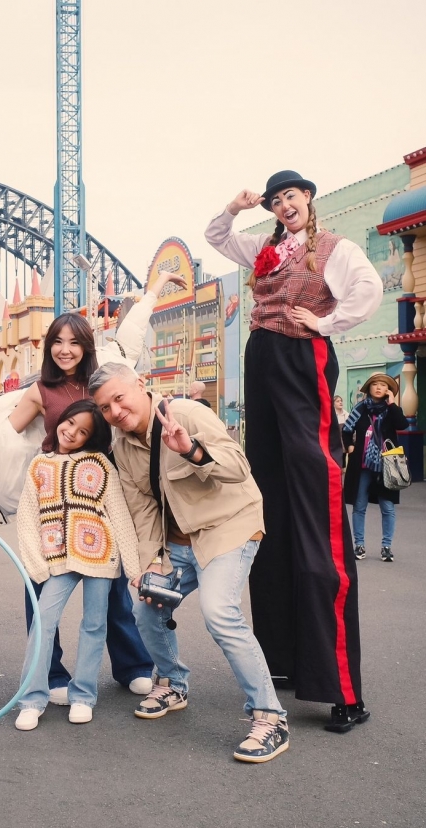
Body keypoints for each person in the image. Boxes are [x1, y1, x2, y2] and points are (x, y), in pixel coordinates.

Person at [205, 170, 383, 732]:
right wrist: (233, 208)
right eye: (276, 199)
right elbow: (214, 236)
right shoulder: (265, 246)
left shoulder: (334, 247)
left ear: (309, 198)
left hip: (302, 361)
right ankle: (281, 659)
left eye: (292, 196)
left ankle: (342, 688)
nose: (285, 205)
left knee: (318, 510)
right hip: (262, 359)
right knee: (269, 509)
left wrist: (326, 322)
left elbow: (368, 289)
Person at [0, 269, 187, 704]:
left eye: (74, 342)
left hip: (102, 493)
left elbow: (131, 334)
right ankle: (51, 672)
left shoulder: (106, 378)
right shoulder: (41, 390)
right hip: (57, 498)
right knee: (41, 584)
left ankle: (132, 664)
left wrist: (152, 291)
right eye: (57, 342)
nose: (64, 350)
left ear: (86, 346)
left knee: (111, 581)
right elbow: (4, 434)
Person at [89, 363, 288, 763]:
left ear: (140, 386)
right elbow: (142, 509)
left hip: (227, 527)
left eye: (118, 398)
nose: (115, 411)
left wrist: (192, 451)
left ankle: (271, 717)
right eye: (105, 407)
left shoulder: (188, 414)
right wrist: (150, 564)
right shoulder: (123, 446)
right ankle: (174, 682)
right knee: (146, 608)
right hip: (177, 542)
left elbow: (238, 467)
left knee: (219, 613)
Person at [14, 400, 142, 731]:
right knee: (43, 621)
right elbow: (27, 518)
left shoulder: (100, 464)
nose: (72, 432)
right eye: (71, 423)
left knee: (95, 625)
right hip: (57, 558)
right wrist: (35, 564)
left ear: (91, 437)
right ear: (61, 419)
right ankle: (31, 699)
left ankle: (83, 695)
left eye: (83, 431)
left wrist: (134, 567)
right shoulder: (39, 464)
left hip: (100, 554)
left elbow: (119, 516)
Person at [343, 373, 408, 563]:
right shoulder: (360, 409)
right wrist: (349, 446)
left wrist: (392, 403)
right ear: (369, 388)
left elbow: (402, 425)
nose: (379, 388)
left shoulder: (391, 410)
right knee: (359, 506)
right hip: (361, 466)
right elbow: (346, 430)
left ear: (387, 390)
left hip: (386, 466)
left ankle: (386, 547)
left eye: (383, 385)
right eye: (375, 385)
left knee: (387, 507)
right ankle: (359, 545)